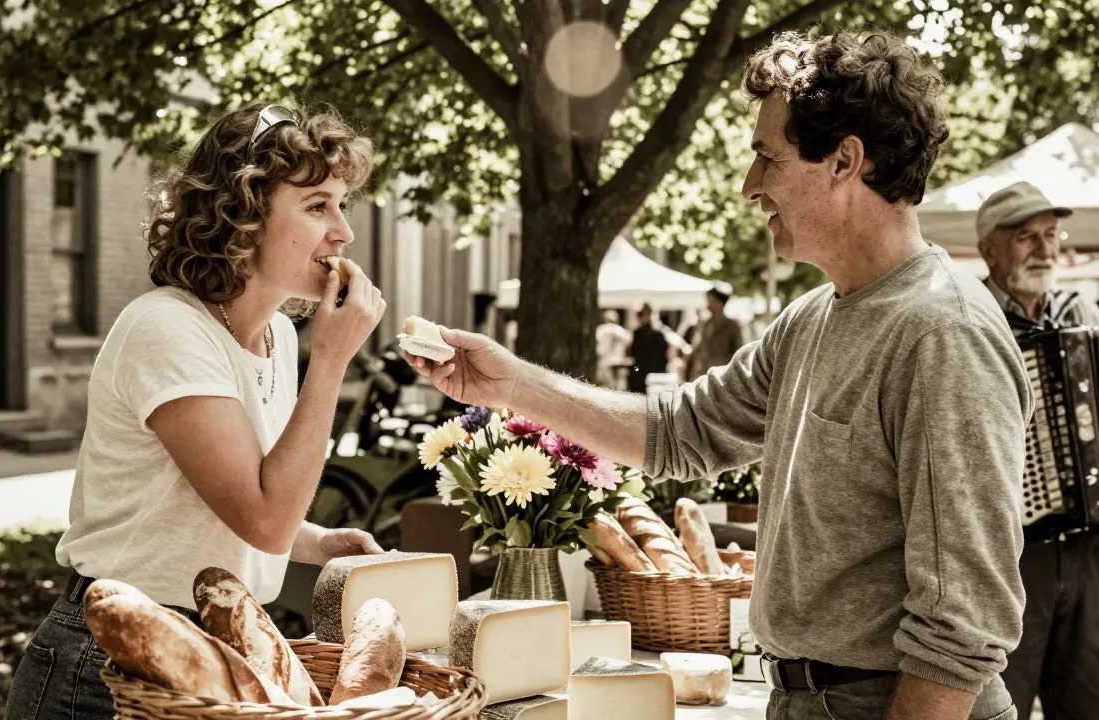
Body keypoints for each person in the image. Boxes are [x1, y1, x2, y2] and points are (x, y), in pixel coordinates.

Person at [409, 31, 1032, 720]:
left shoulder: (943, 333)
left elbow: (963, 617)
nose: (749, 187)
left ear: (845, 161)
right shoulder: (811, 318)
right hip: (812, 700)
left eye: (768, 158)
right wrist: (511, 385)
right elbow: (679, 433)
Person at [4, 103, 386, 720]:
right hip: (109, 662)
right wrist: (333, 362)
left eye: (342, 205)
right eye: (317, 206)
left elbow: (229, 505)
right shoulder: (166, 329)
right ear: (242, 214)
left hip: (222, 651)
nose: (342, 231)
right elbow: (263, 518)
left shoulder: (278, 338)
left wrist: (315, 542)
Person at [974, 181, 1099, 720]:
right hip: (1011, 554)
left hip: (1090, 552)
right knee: (1004, 705)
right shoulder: (970, 318)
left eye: (1050, 235)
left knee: (1089, 705)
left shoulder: (1079, 308)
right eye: (1026, 237)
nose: (1045, 249)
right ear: (989, 250)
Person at [686, 285, 744, 380]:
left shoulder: (732, 325)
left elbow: (739, 353)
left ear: (718, 302)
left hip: (723, 377)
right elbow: (699, 349)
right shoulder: (705, 323)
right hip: (703, 376)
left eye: (710, 299)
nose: (707, 303)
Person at [624, 303, 671, 393]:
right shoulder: (660, 333)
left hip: (640, 375)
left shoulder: (638, 333)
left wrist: (636, 369)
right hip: (656, 375)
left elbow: (633, 355)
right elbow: (665, 356)